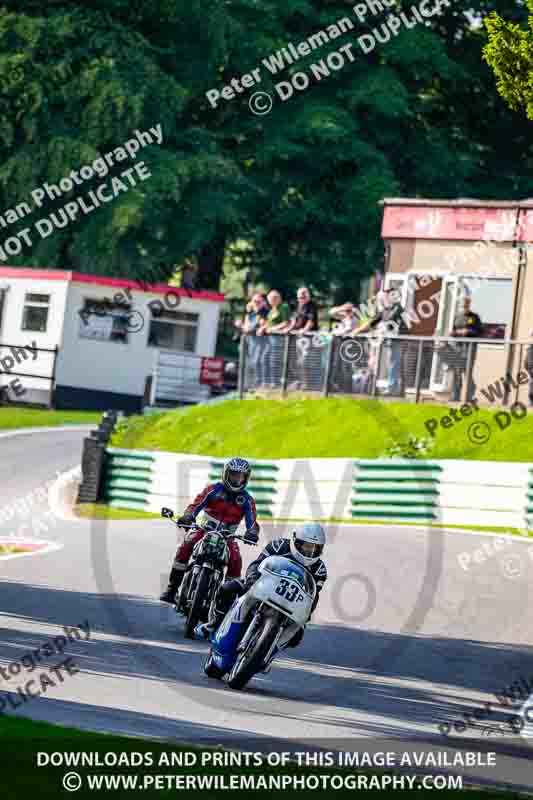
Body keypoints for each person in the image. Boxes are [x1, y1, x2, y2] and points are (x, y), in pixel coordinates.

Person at [196, 523, 327, 649]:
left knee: (296, 637)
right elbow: (256, 564)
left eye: (316, 548)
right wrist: (251, 580)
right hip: (262, 585)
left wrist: (306, 614)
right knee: (227, 589)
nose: (310, 551)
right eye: (307, 546)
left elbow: (313, 595)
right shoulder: (278, 546)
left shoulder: (319, 569)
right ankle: (215, 624)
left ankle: (268, 649)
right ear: (296, 541)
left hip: (290, 602)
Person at [160, 458, 260, 603]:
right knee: (186, 545)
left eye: (241, 476)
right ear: (226, 474)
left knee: (236, 561)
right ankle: (172, 589)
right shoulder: (213, 489)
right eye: (234, 474)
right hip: (204, 530)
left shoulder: (247, 499)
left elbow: (252, 521)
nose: (237, 479)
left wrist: (252, 533)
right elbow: (196, 505)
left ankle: (225, 603)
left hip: (228, 537)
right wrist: (188, 516)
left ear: (246, 478)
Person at [353, 288, 407, 395]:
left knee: (394, 364)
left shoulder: (396, 308)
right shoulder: (385, 309)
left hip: (397, 340)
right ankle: (391, 388)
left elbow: (387, 319)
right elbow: (372, 322)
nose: (381, 300)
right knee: (390, 364)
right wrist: (356, 331)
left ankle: (393, 389)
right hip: (388, 341)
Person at [450, 295, 483, 402]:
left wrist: (467, 332)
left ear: (469, 304)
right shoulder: (457, 316)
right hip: (457, 348)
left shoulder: (474, 317)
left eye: (466, 303)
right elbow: (452, 331)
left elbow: (480, 332)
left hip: (469, 349)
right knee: (456, 372)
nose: (464, 305)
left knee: (467, 372)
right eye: (462, 303)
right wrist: (455, 333)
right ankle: (455, 397)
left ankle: (469, 397)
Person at [285, 287, 319, 390]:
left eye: (304, 296)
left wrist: (304, 330)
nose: (302, 298)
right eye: (300, 297)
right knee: (299, 361)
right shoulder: (299, 306)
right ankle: (302, 382)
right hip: (299, 338)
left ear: (308, 295)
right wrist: (289, 329)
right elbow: (294, 320)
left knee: (305, 360)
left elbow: (311, 321)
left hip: (308, 338)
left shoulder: (311, 306)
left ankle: (309, 384)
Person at [263, 289, 291, 387]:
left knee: (275, 360)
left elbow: (286, 322)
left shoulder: (283, 307)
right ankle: (267, 381)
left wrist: (273, 329)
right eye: (269, 300)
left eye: (272, 299)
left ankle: (276, 382)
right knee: (265, 358)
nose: (270, 302)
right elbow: (268, 322)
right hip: (270, 338)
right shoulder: (272, 309)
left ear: (277, 298)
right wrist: (264, 328)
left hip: (279, 338)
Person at [329, 302, 359, 392]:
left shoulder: (355, 319)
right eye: (347, 311)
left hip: (349, 346)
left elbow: (347, 330)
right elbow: (331, 312)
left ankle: (347, 388)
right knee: (337, 365)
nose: (347, 312)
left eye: (349, 311)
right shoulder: (345, 317)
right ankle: (337, 386)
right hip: (341, 344)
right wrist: (342, 308)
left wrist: (336, 332)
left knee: (347, 367)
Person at [243, 293, 270, 389]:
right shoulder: (250, 311)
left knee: (258, 361)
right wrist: (244, 326)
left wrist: (262, 327)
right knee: (251, 362)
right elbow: (246, 325)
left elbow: (268, 323)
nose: (256, 303)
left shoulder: (266, 311)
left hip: (263, 340)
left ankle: (260, 384)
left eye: (258, 301)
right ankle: (249, 385)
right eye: (254, 301)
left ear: (263, 302)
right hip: (251, 341)